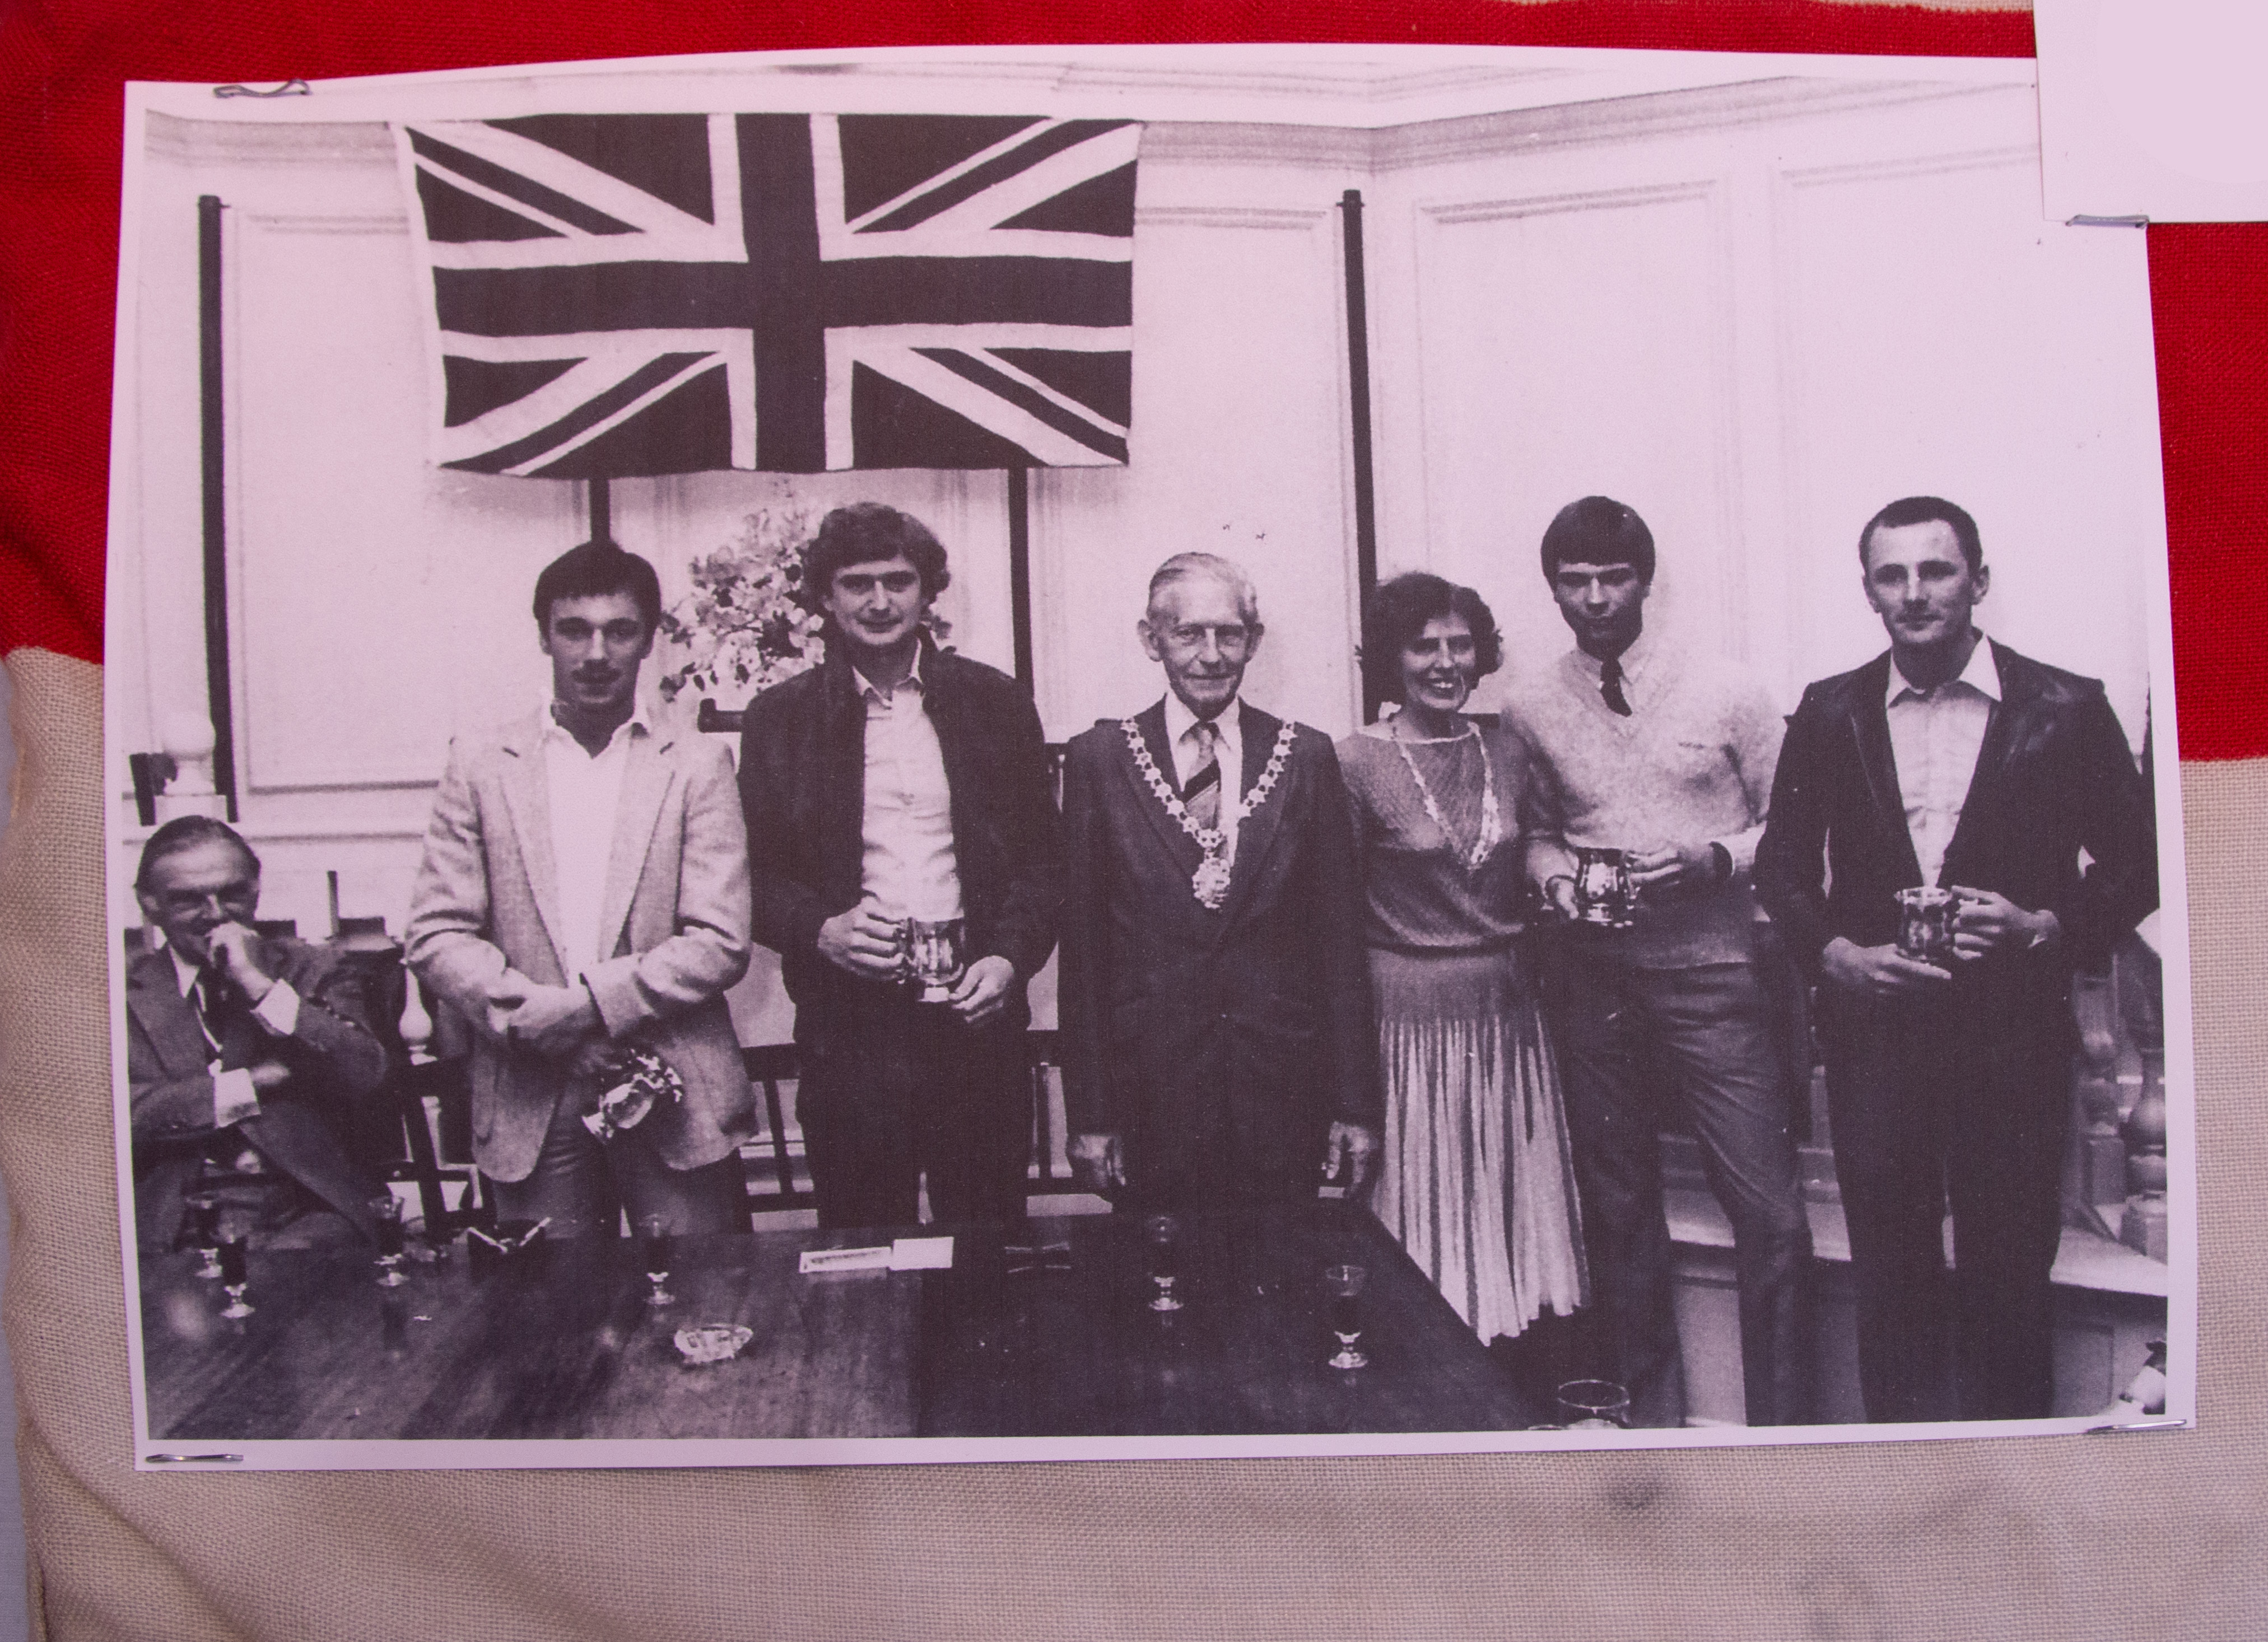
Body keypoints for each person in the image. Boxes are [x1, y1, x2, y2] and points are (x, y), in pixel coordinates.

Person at [1754, 495, 2157, 1422]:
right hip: (1873, 1044)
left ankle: (2008, 1505)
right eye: (1890, 576)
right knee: (1887, 1280)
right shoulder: (1828, 709)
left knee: (2008, 1276)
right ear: (1867, 592)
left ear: (1977, 581)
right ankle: (1901, 1493)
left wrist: (2044, 927)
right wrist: (1832, 954)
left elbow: (2140, 864)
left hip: (2009, 1042)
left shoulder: (2064, 705)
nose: (1914, 592)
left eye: (1934, 570)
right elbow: (1779, 867)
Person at [1505, 496, 1814, 1428]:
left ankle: (1787, 1433)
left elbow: (1796, 824)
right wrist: (1552, 871)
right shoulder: (1527, 703)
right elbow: (1534, 831)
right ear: (1553, 587)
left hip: (1715, 977)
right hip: (1591, 983)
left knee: (1768, 1215)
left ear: (1644, 580)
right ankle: (1643, 1422)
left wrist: (1711, 858)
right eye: (1574, 580)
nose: (1594, 598)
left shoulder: (1725, 688)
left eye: (1612, 577)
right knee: (1616, 1208)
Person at [405, 540, 756, 1238]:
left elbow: (720, 941)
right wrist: (540, 1024)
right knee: (549, 1326)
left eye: (620, 630)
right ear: (543, 635)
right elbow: (436, 932)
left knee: (702, 1308)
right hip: (531, 1095)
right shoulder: (479, 763)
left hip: (673, 1089)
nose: (597, 653)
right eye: (574, 630)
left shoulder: (697, 764)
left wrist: (588, 1006)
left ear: (649, 639)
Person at [737, 503, 1061, 1229]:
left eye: (898, 581)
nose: (879, 602)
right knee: (864, 1250)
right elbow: (748, 877)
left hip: (976, 1027)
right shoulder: (778, 720)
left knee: (982, 1252)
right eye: (857, 583)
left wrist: (1009, 959)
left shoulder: (995, 703)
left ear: (927, 592)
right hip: (849, 1034)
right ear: (824, 596)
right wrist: (820, 929)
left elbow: (1044, 863)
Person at [1059, 552, 1379, 1208]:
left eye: (1228, 634)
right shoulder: (1100, 759)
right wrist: (1090, 1115)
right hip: (1150, 1093)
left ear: (1252, 642)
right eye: (1188, 634)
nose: (1210, 655)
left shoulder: (1305, 756)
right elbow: (1084, 956)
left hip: (1282, 1093)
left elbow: (1338, 945)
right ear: (1152, 641)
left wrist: (1353, 1105)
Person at [1338, 573, 1587, 1344]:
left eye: (1459, 644)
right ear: (1389, 659)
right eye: (1422, 647)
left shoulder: (1507, 748)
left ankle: (1507, 1377)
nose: (1444, 663)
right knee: (1426, 1212)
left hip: (1508, 1018)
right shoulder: (1352, 762)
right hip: (1407, 1025)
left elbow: (1538, 840)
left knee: (1504, 1213)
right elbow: (1330, 915)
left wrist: (1557, 877)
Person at [125, 816, 387, 1253]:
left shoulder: (313, 969)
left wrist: (259, 986)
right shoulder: (115, 997)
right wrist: (251, 1084)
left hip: (306, 1207)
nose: (215, 914)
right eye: (189, 900)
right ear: (149, 904)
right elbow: (112, 1119)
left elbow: (365, 1073)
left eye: (232, 894)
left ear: (256, 889)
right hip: (170, 1222)